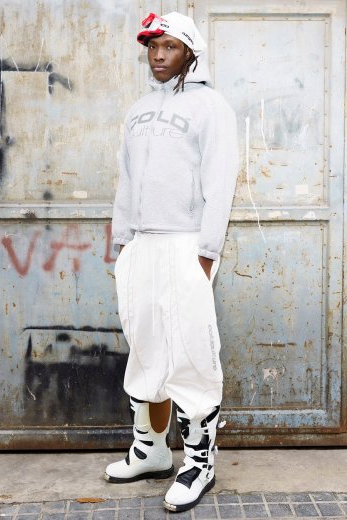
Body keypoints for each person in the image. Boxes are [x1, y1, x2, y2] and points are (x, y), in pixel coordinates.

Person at [105, 11, 239, 513]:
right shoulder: (139, 109)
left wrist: (207, 253)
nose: (158, 56)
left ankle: (200, 462)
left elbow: (220, 182)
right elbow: (126, 179)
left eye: (170, 47)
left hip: (186, 243)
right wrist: (123, 242)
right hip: (142, 243)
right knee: (145, 345)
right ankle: (151, 450)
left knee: (190, 352)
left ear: (190, 53)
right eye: (152, 47)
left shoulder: (211, 106)